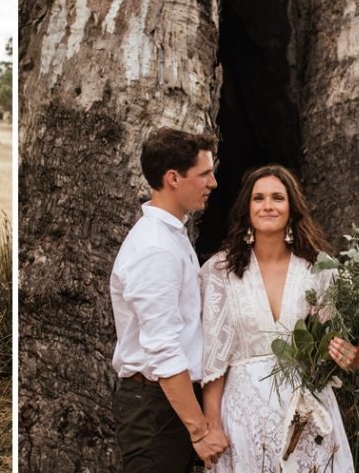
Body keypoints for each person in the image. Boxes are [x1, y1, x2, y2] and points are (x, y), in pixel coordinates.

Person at [200, 165, 359, 472]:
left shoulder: (320, 270)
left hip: (309, 416)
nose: (268, 206)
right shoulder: (219, 272)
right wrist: (212, 426)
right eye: (259, 198)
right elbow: (214, 362)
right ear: (247, 208)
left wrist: (352, 356)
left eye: (278, 198)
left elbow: (346, 349)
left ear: (292, 207)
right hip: (243, 418)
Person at [110, 128, 229, 472]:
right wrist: (199, 430)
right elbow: (163, 346)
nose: (213, 183)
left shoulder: (172, 236)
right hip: (155, 406)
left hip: (170, 401)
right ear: (173, 178)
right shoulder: (155, 248)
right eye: (204, 174)